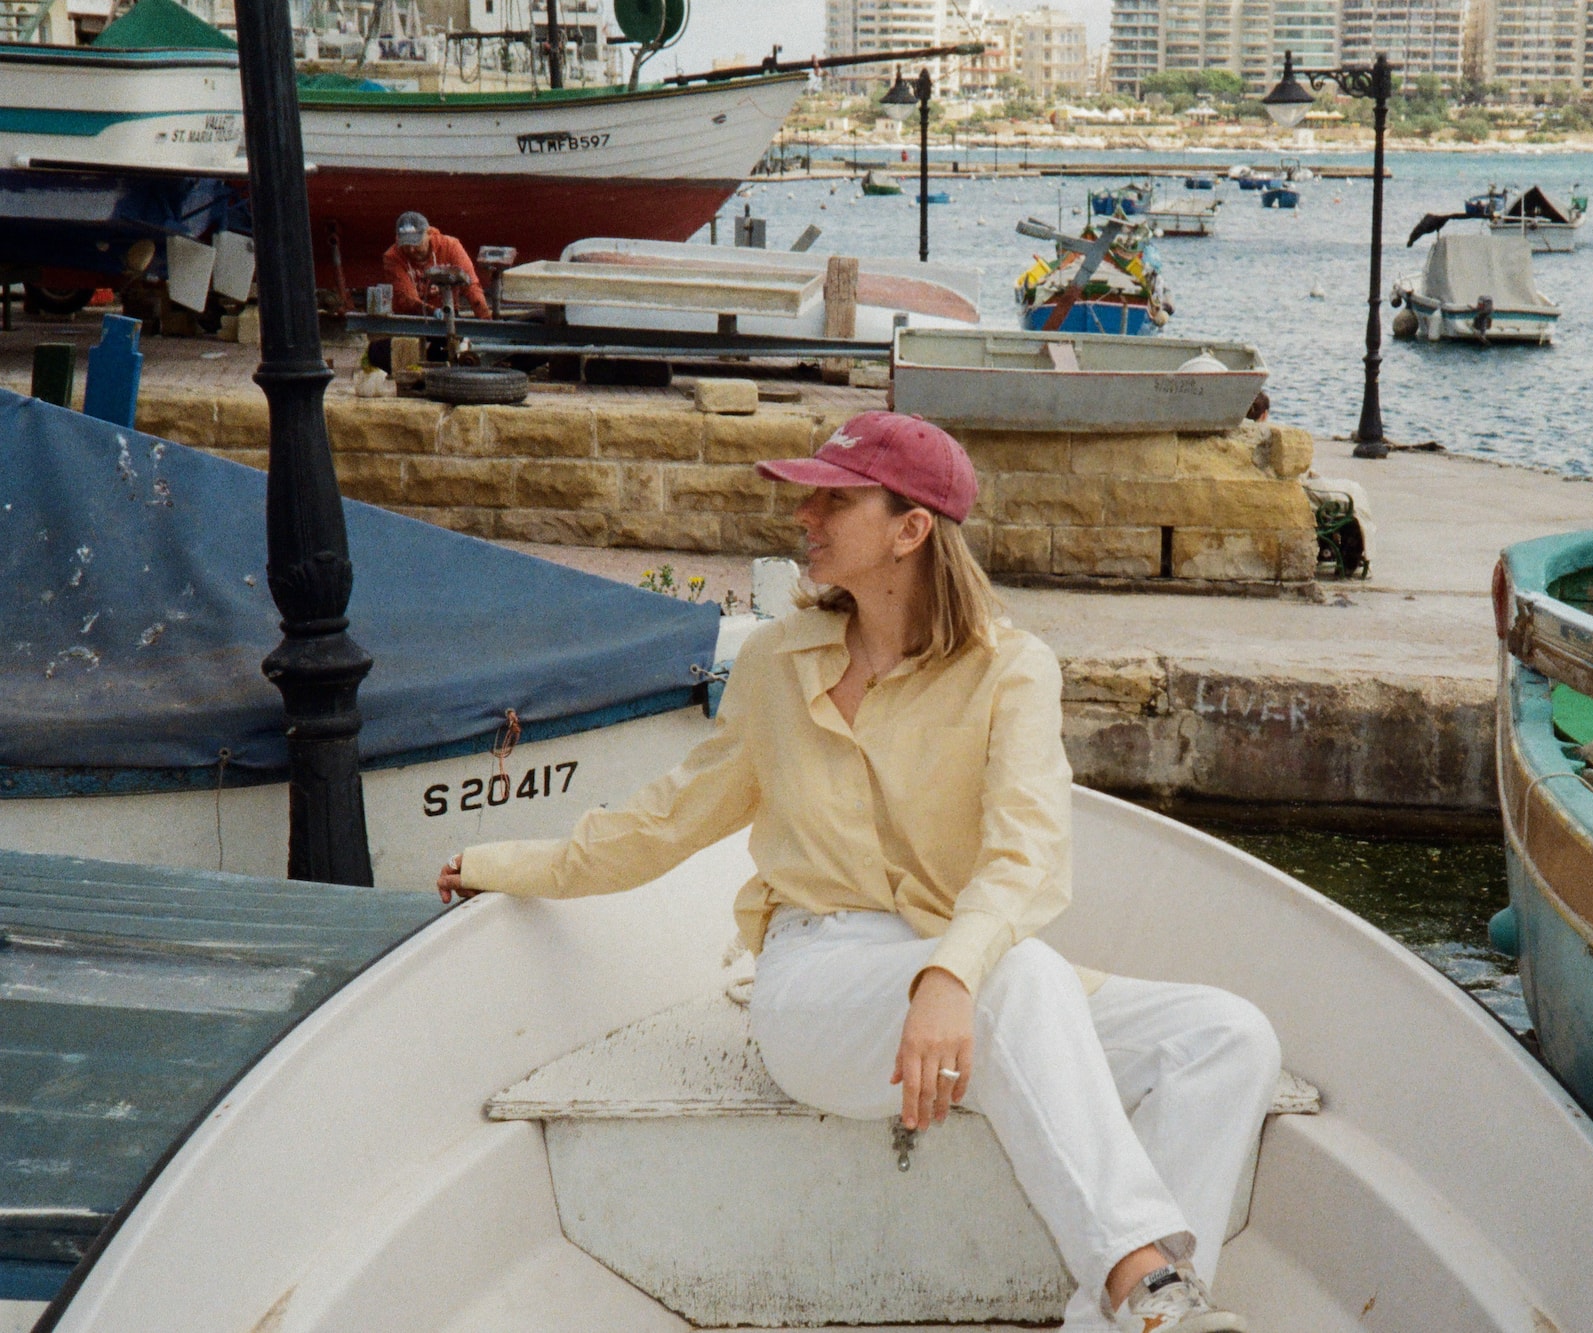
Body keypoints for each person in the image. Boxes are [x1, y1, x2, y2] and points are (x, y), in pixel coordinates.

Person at [437, 412, 1280, 1333]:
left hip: (961, 974)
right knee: (1019, 975)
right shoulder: (776, 661)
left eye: (835, 500)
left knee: (1227, 1037)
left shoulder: (1010, 670)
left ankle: (1135, 1315)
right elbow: (665, 819)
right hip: (819, 987)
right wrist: (499, 863)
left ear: (910, 529)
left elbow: (1027, 853)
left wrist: (947, 972)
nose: (806, 515)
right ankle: (1141, 1282)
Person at [382, 210, 489, 320]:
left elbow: (471, 286)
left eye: (416, 243)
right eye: (405, 245)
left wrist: (485, 318)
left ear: (429, 233)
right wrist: (433, 311)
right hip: (410, 318)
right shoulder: (392, 257)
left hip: (449, 312)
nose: (411, 250)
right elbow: (406, 298)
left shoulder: (450, 246)